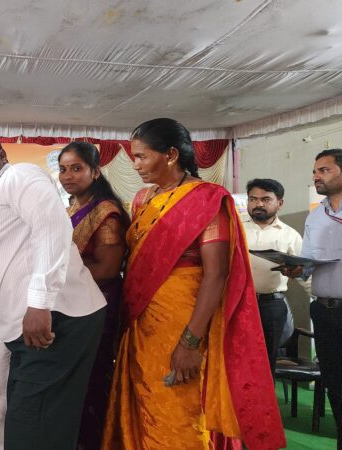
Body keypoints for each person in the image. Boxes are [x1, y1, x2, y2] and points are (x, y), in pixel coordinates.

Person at [102, 118, 285, 450]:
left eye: (142, 156)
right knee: (143, 402)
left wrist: (190, 342)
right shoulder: (143, 199)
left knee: (178, 409)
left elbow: (216, 275)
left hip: (183, 323)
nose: (136, 165)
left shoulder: (207, 199)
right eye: (134, 157)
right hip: (141, 321)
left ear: (171, 155)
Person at [0, 128, 107, 450]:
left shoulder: (21, 176)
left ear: (2, 155)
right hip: (22, 324)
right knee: (33, 422)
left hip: (57, 316)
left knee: (31, 424)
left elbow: (51, 229)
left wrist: (39, 303)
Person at [57, 142, 128, 450]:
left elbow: (108, 269)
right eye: (63, 169)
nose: (67, 176)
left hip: (98, 306)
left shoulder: (107, 213)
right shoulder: (70, 208)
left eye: (76, 168)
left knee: (92, 379)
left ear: (95, 172)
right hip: (73, 303)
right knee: (73, 381)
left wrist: (61, 272)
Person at [282, 149, 342, 449]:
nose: (316, 176)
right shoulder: (316, 215)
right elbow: (308, 262)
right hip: (325, 310)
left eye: (324, 170)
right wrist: (296, 269)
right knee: (335, 382)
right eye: (315, 172)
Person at [243, 178, 308, 375]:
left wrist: (322, 299)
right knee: (236, 359)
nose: (258, 204)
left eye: (265, 199)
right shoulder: (235, 227)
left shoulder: (290, 235)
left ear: (280, 203)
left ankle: (264, 396)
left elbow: (305, 274)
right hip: (237, 302)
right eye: (253, 199)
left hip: (271, 306)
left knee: (265, 362)